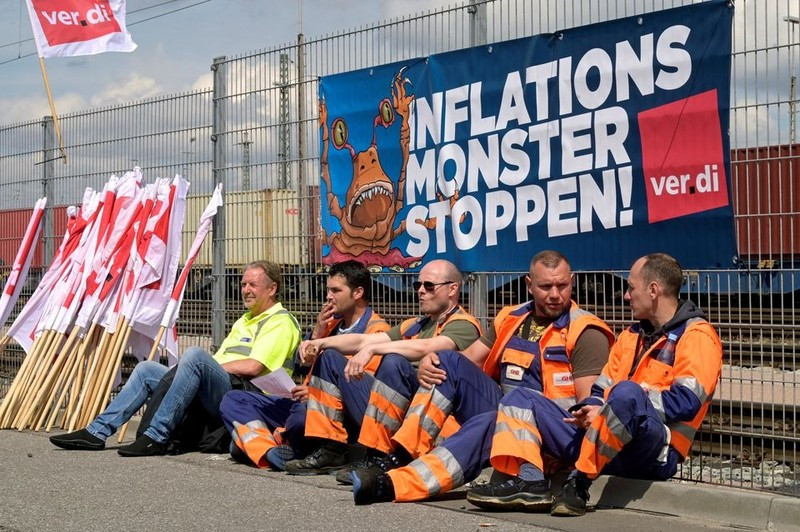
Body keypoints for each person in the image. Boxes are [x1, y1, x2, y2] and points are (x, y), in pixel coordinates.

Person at [349, 250, 614, 506]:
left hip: (549, 432)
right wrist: (431, 360)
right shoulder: (511, 317)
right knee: (448, 360)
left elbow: (586, 414)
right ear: (529, 285)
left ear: (572, 282)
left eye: (562, 286)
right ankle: (401, 459)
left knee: (485, 424)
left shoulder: (585, 331)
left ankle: (393, 485)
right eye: (546, 287)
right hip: (506, 416)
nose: (555, 295)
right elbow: (469, 359)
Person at [469, 252, 723, 517]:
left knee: (628, 394)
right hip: (606, 441)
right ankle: (530, 481)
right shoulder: (631, 335)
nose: (626, 295)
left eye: (631, 288)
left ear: (653, 290)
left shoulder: (697, 336)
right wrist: (590, 408)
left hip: (653, 451)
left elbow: (687, 402)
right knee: (519, 398)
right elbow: (601, 389)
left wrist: (618, 406)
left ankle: (580, 480)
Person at [49, 261, 301, 457]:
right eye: (244, 284)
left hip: (249, 397)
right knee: (147, 368)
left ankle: (157, 436)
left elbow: (253, 366)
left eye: (252, 285)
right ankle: (97, 432)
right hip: (222, 387)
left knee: (195, 356)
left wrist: (205, 367)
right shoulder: (244, 320)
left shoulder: (279, 321)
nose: (245, 290)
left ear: (272, 288)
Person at [283, 259, 481, 475]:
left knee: (393, 362)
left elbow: (428, 347)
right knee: (330, 357)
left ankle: (379, 455)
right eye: (418, 285)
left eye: (429, 286)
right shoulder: (416, 324)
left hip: (433, 423)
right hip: (402, 412)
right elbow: (361, 342)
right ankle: (332, 450)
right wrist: (319, 342)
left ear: (453, 289)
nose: (421, 291)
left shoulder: (464, 324)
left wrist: (374, 349)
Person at [218, 260, 390, 469]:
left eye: (336, 290)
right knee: (234, 399)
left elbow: (360, 390)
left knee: (300, 419)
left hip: (335, 411)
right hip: (302, 401)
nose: (328, 296)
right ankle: (268, 450)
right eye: (328, 289)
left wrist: (318, 393)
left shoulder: (377, 331)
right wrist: (317, 333)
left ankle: (264, 442)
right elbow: (301, 366)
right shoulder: (330, 325)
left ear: (358, 293)